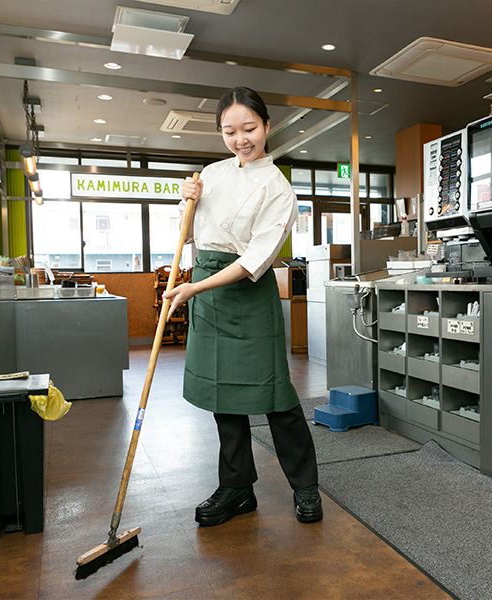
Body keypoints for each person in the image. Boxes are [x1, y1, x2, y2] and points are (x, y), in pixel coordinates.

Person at [163, 87, 321, 527]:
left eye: (249, 128)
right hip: (205, 281)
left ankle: (305, 485)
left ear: (267, 126)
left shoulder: (278, 188)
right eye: (229, 131)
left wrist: (193, 290)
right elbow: (189, 235)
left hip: (245, 290)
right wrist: (188, 200)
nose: (240, 139)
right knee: (222, 395)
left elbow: (255, 260)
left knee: (275, 395)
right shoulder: (210, 174)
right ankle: (237, 489)